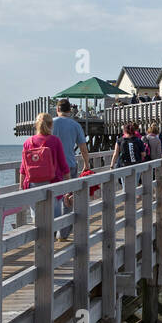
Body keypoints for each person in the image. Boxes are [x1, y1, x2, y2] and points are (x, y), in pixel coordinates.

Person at [20, 114, 70, 231]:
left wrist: (21, 187)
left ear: (36, 125)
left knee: (37, 220)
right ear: (51, 125)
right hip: (53, 183)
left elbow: (23, 168)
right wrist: (68, 186)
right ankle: (51, 244)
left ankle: (40, 244)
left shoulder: (28, 142)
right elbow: (63, 165)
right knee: (54, 219)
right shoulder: (55, 141)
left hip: (32, 184)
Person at [51, 99, 90, 241]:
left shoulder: (50, 124)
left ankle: (52, 230)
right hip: (69, 166)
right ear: (70, 111)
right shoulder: (75, 125)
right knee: (68, 200)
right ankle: (63, 233)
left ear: (57, 109)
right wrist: (86, 163)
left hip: (51, 167)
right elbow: (83, 147)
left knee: (53, 199)